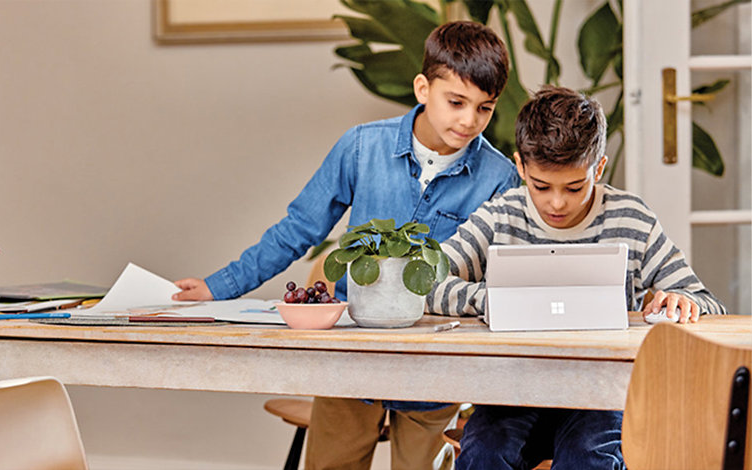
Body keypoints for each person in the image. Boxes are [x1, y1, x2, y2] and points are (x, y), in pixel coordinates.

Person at [173, 21, 521, 470]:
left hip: (435, 365)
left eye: (485, 109)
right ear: (422, 88)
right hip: (350, 358)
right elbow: (299, 228)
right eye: (456, 102)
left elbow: (499, 274)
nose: (468, 120)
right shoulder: (360, 148)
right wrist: (218, 287)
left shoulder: (499, 178)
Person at [426, 85, 727, 470]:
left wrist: (685, 302)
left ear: (598, 168)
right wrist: (492, 300)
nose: (556, 202)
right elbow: (429, 280)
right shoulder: (502, 215)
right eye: (540, 186)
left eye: (574, 187)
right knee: (485, 453)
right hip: (511, 392)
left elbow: (708, 302)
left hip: (601, 394)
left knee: (588, 457)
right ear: (521, 167)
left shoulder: (631, 218)